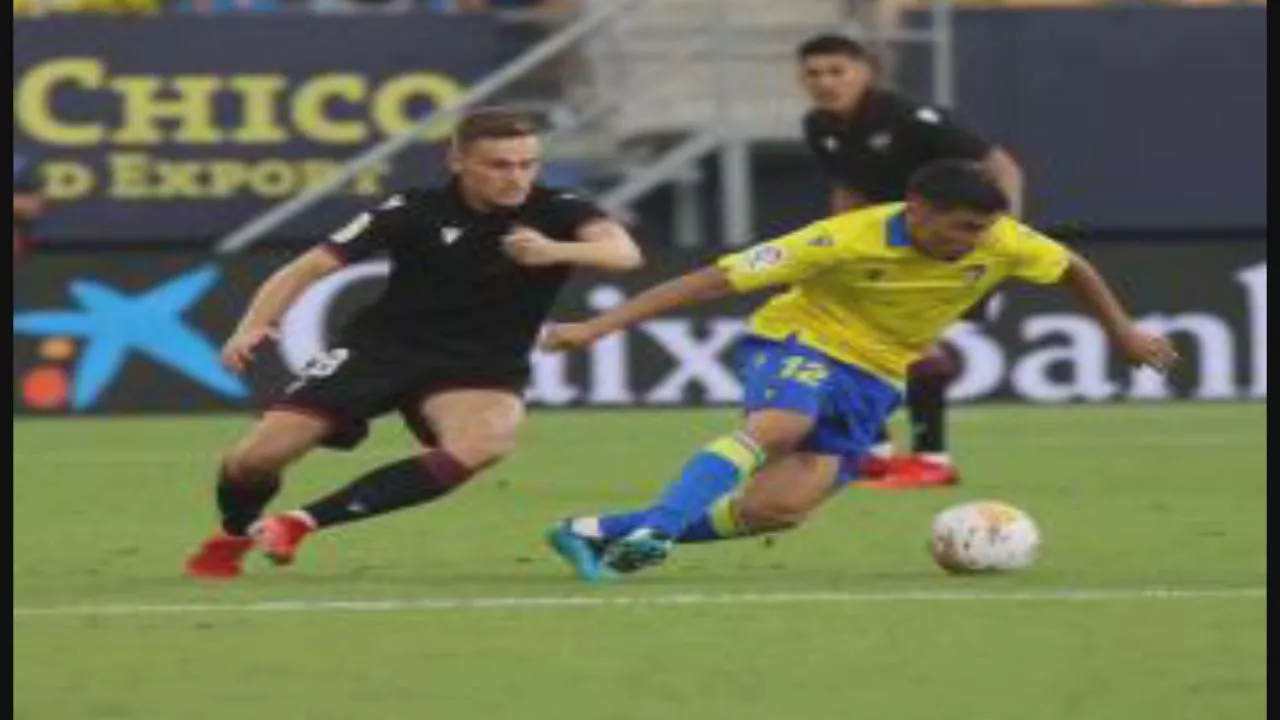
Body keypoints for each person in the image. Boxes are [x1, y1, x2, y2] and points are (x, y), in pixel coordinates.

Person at [541, 160, 1178, 582]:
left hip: (878, 373)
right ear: (918, 210)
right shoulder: (842, 237)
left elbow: (1071, 267)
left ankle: (591, 532)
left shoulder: (1004, 239)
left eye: (984, 229)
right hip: (800, 340)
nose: (975, 242)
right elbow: (714, 280)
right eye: (962, 228)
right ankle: (661, 525)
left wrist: (1120, 330)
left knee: (779, 509)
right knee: (783, 423)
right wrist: (598, 326)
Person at [184, 108, 643, 579]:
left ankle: (298, 523)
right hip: (381, 349)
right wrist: (254, 325)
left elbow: (624, 253)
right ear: (458, 161)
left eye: (528, 164)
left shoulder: (561, 209)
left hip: (480, 363)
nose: (516, 178)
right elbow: (309, 267)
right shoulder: (413, 210)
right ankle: (235, 533)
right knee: (255, 460)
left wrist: (556, 250)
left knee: (487, 441)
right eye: (499, 165)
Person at [797, 33, 1025, 487]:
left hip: (942, 245)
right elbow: (849, 187)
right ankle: (877, 452)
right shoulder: (819, 126)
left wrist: (1005, 232)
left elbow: (1003, 166)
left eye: (836, 71)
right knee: (845, 332)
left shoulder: (907, 119)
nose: (825, 82)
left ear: (866, 72)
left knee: (905, 343)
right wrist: (838, 245)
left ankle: (930, 458)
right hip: (889, 245)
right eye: (813, 73)